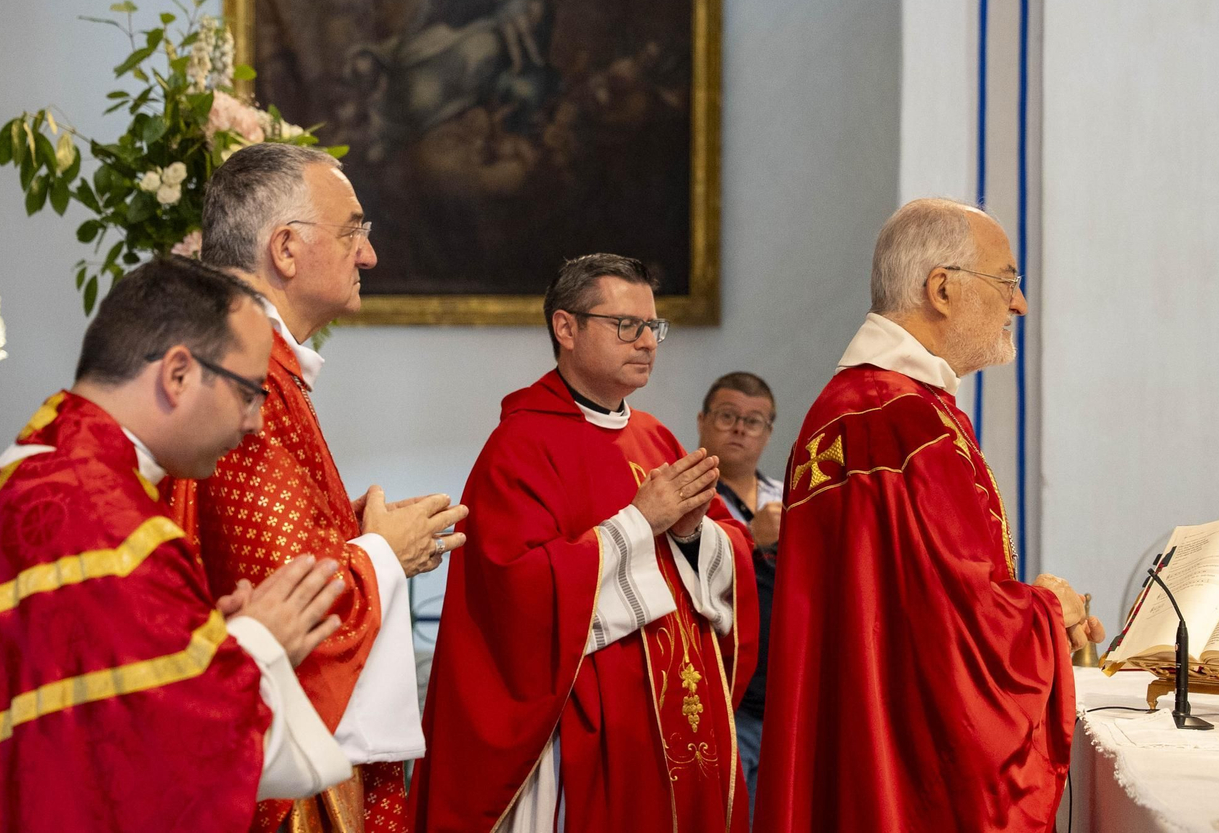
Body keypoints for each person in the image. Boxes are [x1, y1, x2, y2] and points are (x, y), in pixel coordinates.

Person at [0, 257, 355, 833]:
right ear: (177, 375)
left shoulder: (35, 472)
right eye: (249, 392)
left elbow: (85, 725)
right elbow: (167, 759)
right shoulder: (103, 520)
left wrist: (202, 643)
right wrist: (260, 645)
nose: (253, 422)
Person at [755, 198, 1104, 833]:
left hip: (858, 759)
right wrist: (1051, 611)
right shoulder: (905, 426)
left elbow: (909, 614)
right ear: (941, 289)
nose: (1019, 305)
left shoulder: (849, 409)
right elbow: (961, 637)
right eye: (1007, 282)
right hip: (908, 786)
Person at [168, 143, 467, 833]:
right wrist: (384, 553)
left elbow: (268, 541)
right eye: (353, 230)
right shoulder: (248, 378)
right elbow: (286, 596)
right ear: (286, 249)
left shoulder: (265, 367)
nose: (369, 256)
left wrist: (356, 529)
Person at [411, 254, 760, 833]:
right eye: (627, 326)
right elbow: (514, 593)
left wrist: (693, 532)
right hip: (582, 730)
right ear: (565, 328)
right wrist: (638, 522)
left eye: (654, 327)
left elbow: (732, 553)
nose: (647, 342)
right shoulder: (521, 446)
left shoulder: (656, 437)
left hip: (673, 721)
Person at [699, 372, 782, 819]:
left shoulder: (789, 498)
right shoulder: (680, 494)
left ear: (768, 433)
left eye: (753, 421)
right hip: (720, 695)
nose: (739, 429)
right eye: (727, 416)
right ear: (703, 421)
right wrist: (750, 536)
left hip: (782, 696)